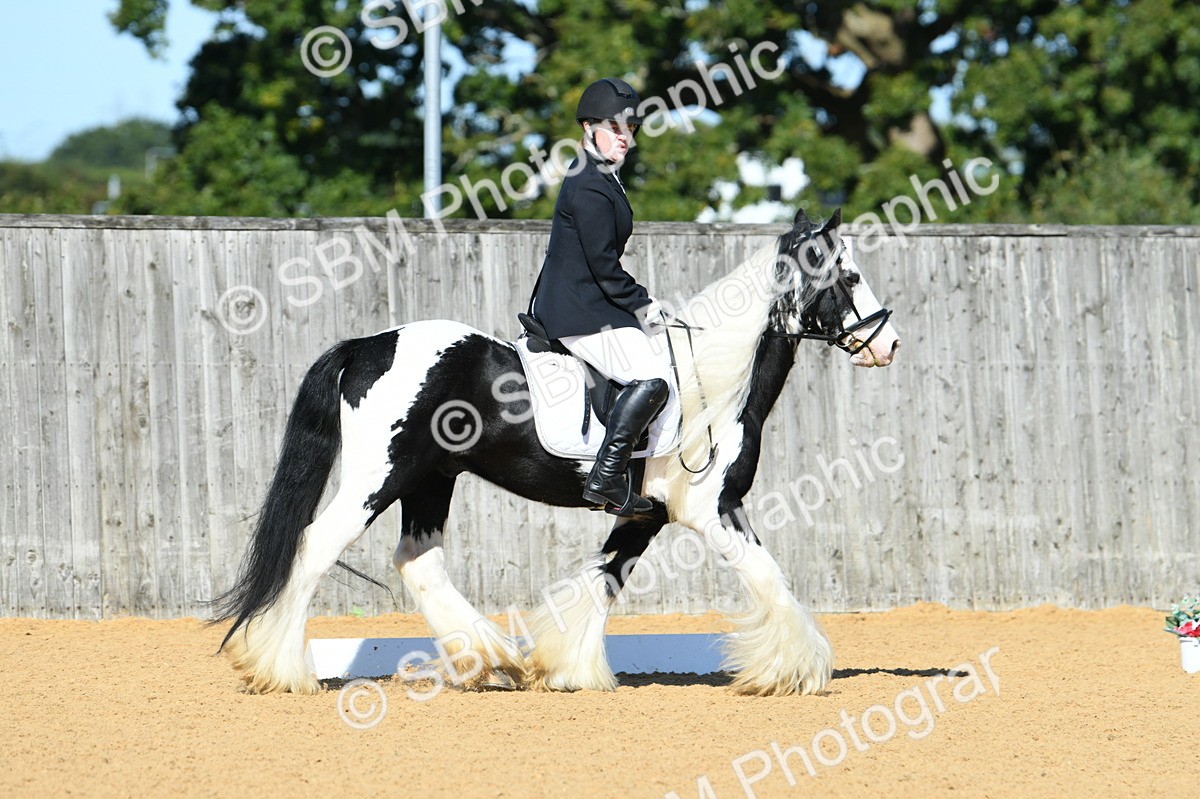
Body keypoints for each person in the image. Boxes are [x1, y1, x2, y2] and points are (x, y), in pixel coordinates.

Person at [527, 77, 670, 516]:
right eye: (617, 128)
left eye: (632, 129)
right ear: (589, 127)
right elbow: (605, 268)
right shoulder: (589, 182)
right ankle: (607, 475)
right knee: (651, 379)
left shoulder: (602, 176)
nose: (626, 137)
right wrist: (644, 304)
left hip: (590, 303)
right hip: (577, 310)